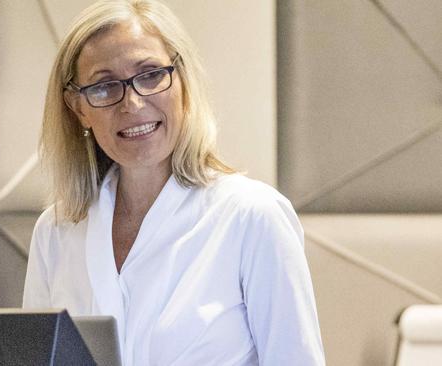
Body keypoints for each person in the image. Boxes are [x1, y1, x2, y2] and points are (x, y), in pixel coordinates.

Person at [23, 0, 325, 365]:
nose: (132, 104)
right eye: (104, 86)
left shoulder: (253, 217)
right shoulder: (56, 231)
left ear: (183, 82)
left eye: (150, 75)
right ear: (78, 108)